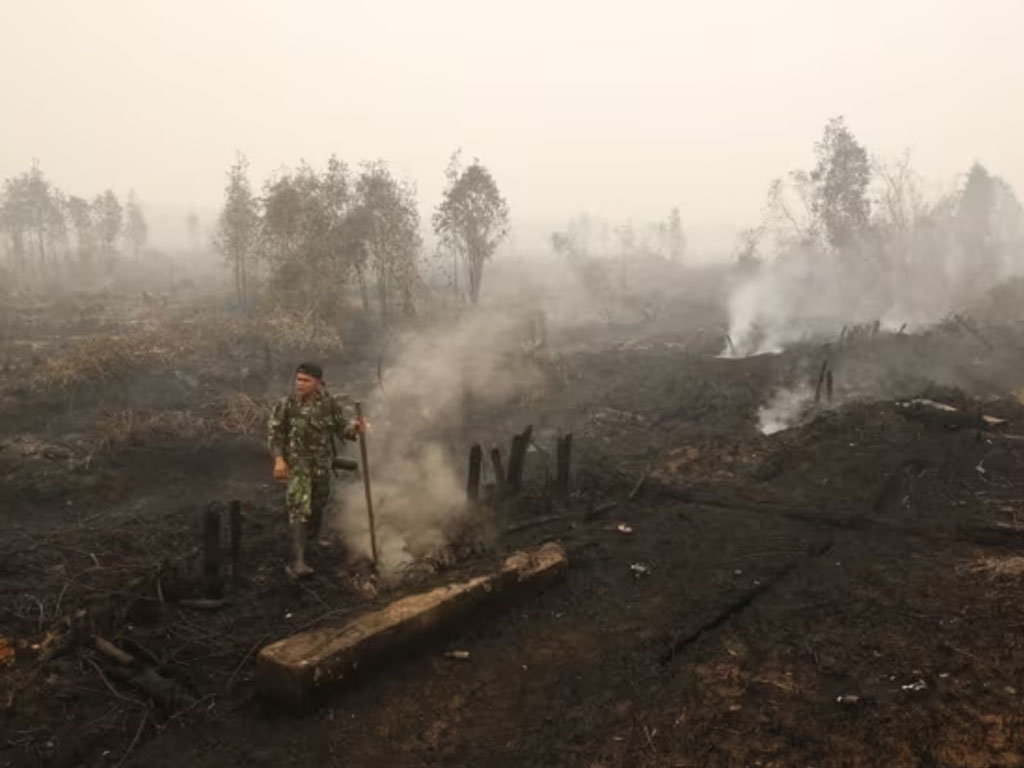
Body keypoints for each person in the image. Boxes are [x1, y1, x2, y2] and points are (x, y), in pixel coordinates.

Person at [267, 362, 364, 579]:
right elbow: (275, 435)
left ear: (318, 383)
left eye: (305, 381)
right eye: (298, 380)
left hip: (321, 464)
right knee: (300, 505)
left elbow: (342, 429)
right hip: (298, 463)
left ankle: (313, 537)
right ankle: (298, 562)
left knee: (319, 502)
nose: (299, 384)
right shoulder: (286, 404)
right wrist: (279, 460)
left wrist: (355, 428)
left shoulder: (328, 404)